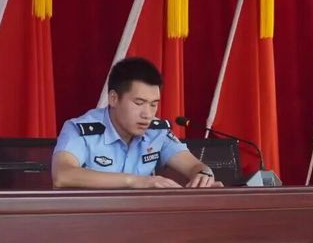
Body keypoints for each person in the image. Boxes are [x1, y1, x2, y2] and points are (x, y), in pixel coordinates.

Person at [52, 57, 223, 189]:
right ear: (113, 98)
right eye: (139, 103)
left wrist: (204, 175)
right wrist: (136, 181)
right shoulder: (81, 130)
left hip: (142, 220)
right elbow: (62, 175)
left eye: (153, 104)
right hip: (93, 220)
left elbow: (195, 166)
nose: (147, 114)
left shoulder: (156, 132)